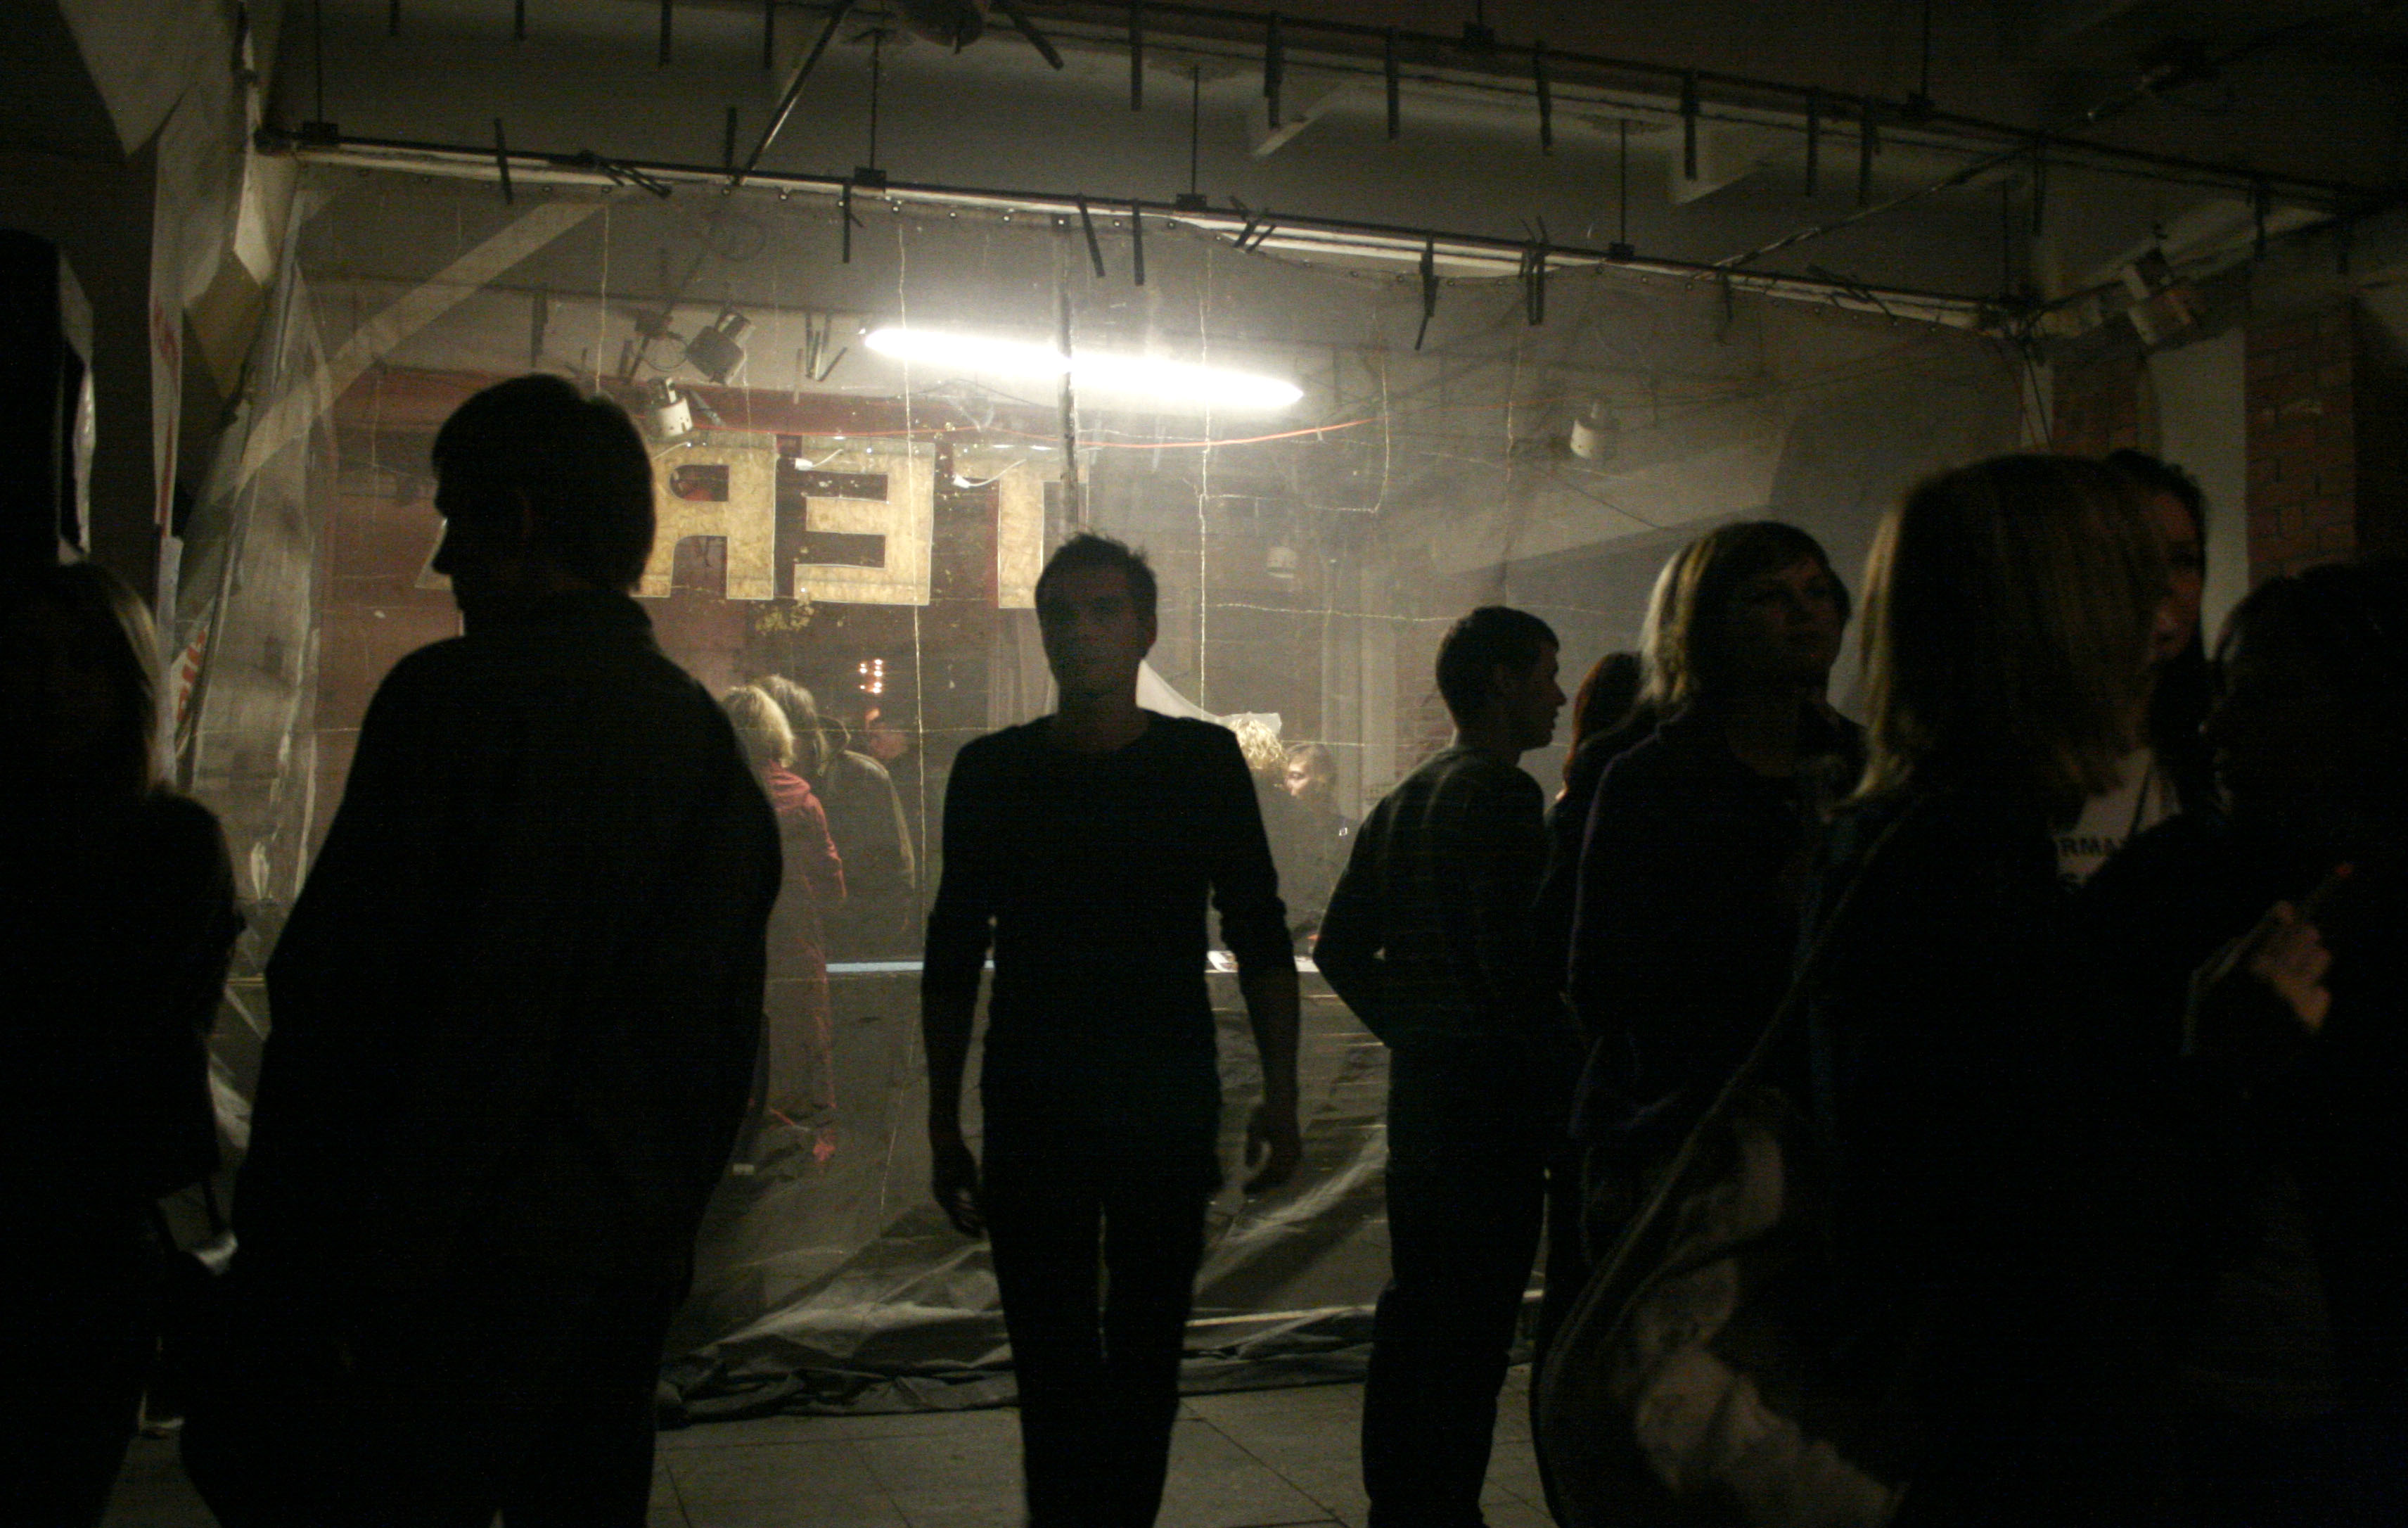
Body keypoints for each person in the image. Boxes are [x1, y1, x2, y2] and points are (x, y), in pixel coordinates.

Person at [192, 374, 780, 1527]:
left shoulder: (446, 704)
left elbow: (342, 999)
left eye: (456, 517)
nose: (445, 558)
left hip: (421, 1273)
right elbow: (721, 1043)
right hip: (611, 1270)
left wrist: (298, 1249)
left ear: (516, 524)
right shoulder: (700, 743)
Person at [1791, 454, 2178, 1523]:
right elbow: (2039, 1218)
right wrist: (2222, 1064)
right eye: (2130, 589)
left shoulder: (1909, 835)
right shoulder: (1966, 864)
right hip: (2009, 1450)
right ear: (2053, 623)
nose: (2159, 628)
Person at [921, 533, 1302, 1528]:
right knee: (1089, 1360)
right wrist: (942, 1120)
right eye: (1063, 614)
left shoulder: (1036, 770)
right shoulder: (1157, 766)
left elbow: (1259, 927)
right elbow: (953, 951)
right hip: (1092, 1096)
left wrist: (1284, 1090)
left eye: (1101, 611)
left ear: (1144, 631)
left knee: (1122, 1358)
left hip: (1102, 1096)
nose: (1080, 632)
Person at [2085, 556, 2408, 1525]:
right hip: (2231, 1394)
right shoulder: (2164, 889)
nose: (2215, 726)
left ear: (2370, 714)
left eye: (2264, 698)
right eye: (2223, 691)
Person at [1317, 606, 1574, 1528]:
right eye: (1545, 674)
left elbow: (1339, 947)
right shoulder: (1503, 799)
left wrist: (1416, 1033)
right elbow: (1521, 970)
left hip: (1424, 1110)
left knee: (1416, 1312)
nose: (1559, 696)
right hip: (1491, 1115)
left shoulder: (1405, 797)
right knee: (1472, 1333)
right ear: (1503, 683)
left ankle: (1397, 1504)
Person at [0, 563, 239, 1527]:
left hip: (89, 1238)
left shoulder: (171, 847)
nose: (54, 686)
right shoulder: (164, 843)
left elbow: (116, 1039)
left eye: (83, 662)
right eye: (31, 659)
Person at [1563, 525, 1860, 1228]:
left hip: (1839, 1134)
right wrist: (1770, 910)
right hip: (1687, 1142)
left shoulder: (1864, 764)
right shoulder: (1650, 779)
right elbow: (1601, 982)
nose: (1804, 613)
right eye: (1770, 596)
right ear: (1707, 625)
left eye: (1818, 592)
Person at [2052, 449, 2217, 883]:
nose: (2164, 584)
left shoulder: (2215, 750)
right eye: (2137, 557)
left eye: (2184, 561)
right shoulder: (2025, 754)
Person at [722, 685, 845, 1167]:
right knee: (801, 1039)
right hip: (792, 942)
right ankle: (802, 1145)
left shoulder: (704, 796)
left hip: (727, 946)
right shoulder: (801, 800)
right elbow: (832, 885)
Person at [762, 674, 918, 958]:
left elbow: (896, 867)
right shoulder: (759, 776)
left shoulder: (864, 776)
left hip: (853, 939)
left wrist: (875, 941)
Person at [1275, 741, 1353, 947]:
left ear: (1322, 783)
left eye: (1296, 776)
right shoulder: (1279, 833)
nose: (1287, 785)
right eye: (1284, 777)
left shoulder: (1345, 831)